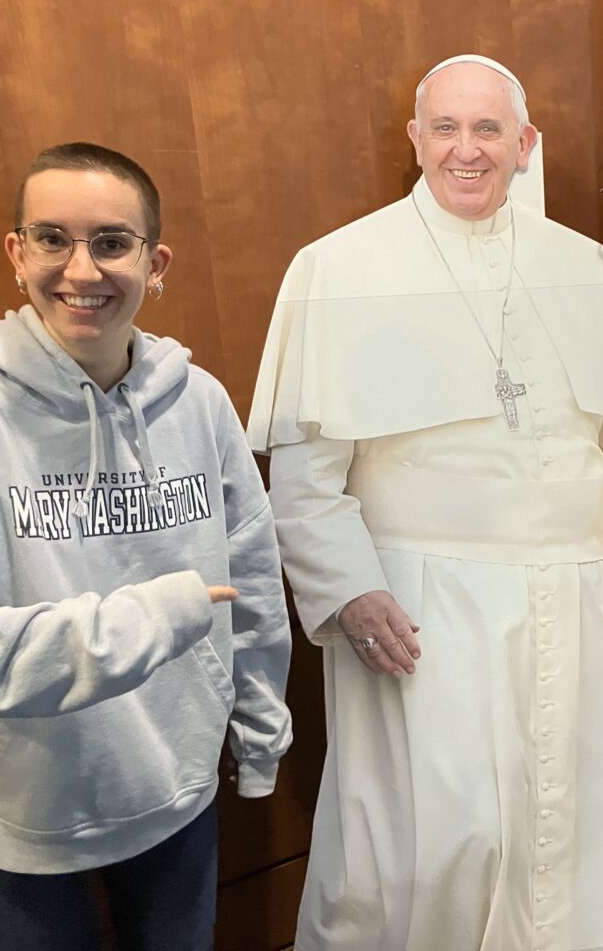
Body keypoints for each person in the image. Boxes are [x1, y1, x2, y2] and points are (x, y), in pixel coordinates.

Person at [0, 142, 292, 951]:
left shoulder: (200, 402)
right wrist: (145, 621)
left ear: (155, 263)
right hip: (6, 816)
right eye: (52, 238)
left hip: (172, 787)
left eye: (111, 242)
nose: (81, 269)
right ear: (17, 254)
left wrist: (259, 731)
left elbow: (251, 568)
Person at [247, 55, 603, 951]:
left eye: (487, 130)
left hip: (577, 597)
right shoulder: (339, 267)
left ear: (524, 145)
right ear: (415, 140)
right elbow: (302, 472)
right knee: (443, 844)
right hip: (418, 609)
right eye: (444, 128)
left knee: (570, 834)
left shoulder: (586, 268)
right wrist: (349, 592)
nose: (465, 150)